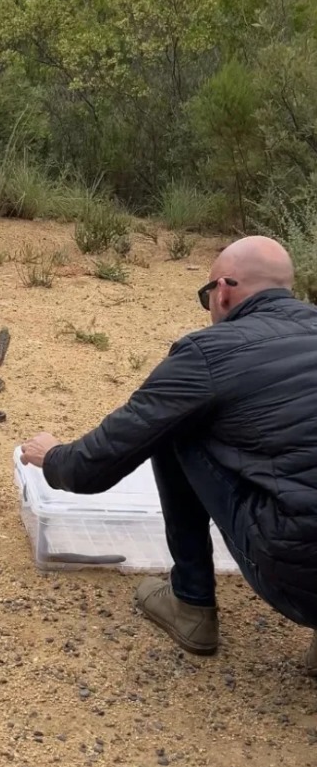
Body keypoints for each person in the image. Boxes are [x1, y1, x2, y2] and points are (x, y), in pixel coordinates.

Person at [20, 235, 317, 673]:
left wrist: (53, 457)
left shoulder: (207, 353)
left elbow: (93, 468)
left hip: (301, 570)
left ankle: (191, 603)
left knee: (178, 426)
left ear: (222, 290)